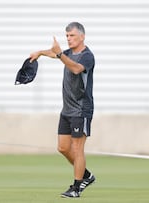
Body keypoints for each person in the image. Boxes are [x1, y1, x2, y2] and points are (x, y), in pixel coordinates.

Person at [29, 22, 95, 198]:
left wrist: (59, 54)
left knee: (77, 148)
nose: (68, 39)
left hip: (81, 110)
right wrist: (41, 53)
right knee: (63, 148)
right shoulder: (67, 53)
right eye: (66, 36)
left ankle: (76, 187)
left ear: (82, 36)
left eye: (72, 35)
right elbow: (55, 54)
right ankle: (87, 176)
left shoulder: (87, 56)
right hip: (67, 110)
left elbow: (75, 69)